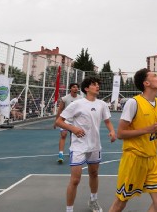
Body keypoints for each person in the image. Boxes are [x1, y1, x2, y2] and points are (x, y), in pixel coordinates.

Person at [108, 68, 157, 212]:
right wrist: (147, 130)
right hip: (134, 159)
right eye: (155, 76)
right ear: (146, 83)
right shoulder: (134, 103)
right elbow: (121, 133)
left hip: (152, 160)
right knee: (121, 202)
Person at [55, 77, 116, 212]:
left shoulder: (102, 104)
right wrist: (73, 129)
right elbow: (59, 121)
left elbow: (107, 121)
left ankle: (93, 200)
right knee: (75, 180)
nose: (97, 86)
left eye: (98, 84)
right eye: (94, 85)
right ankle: (69, 209)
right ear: (87, 88)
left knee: (94, 173)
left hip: (95, 145)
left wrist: (112, 131)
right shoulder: (77, 104)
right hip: (79, 146)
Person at [56, 83, 81, 163]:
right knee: (63, 135)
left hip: (75, 121)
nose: (75, 88)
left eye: (77, 87)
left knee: (73, 137)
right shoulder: (65, 98)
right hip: (65, 120)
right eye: (74, 87)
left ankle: (71, 151)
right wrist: (57, 121)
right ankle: (60, 154)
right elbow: (60, 110)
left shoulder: (81, 99)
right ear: (70, 89)